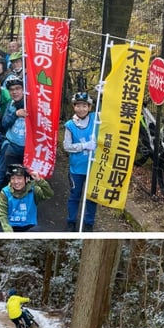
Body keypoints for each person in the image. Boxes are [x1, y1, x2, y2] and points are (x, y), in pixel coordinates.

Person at [63, 91, 99, 231]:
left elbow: (109, 111)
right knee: (75, 195)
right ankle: (71, 220)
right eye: (78, 105)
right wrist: (84, 146)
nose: (81, 108)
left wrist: (103, 94)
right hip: (76, 168)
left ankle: (89, 223)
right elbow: (67, 146)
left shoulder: (96, 119)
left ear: (89, 107)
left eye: (85, 105)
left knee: (91, 197)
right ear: (74, 107)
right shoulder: (70, 125)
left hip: (93, 167)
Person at [0, 164, 53, 232]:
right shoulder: (5, 192)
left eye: (19, 178)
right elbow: (2, 215)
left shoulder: (33, 190)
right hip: (10, 226)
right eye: (13, 178)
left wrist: (39, 180)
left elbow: (49, 194)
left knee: (38, 230)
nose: (16, 182)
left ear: (26, 179)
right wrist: (9, 233)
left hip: (28, 226)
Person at [0, 77, 27, 165]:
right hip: (12, 145)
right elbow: (4, 123)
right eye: (11, 90)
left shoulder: (31, 103)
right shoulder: (10, 104)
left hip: (28, 147)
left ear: (23, 89)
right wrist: (15, 114)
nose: (14, 92)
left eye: (17, 88)